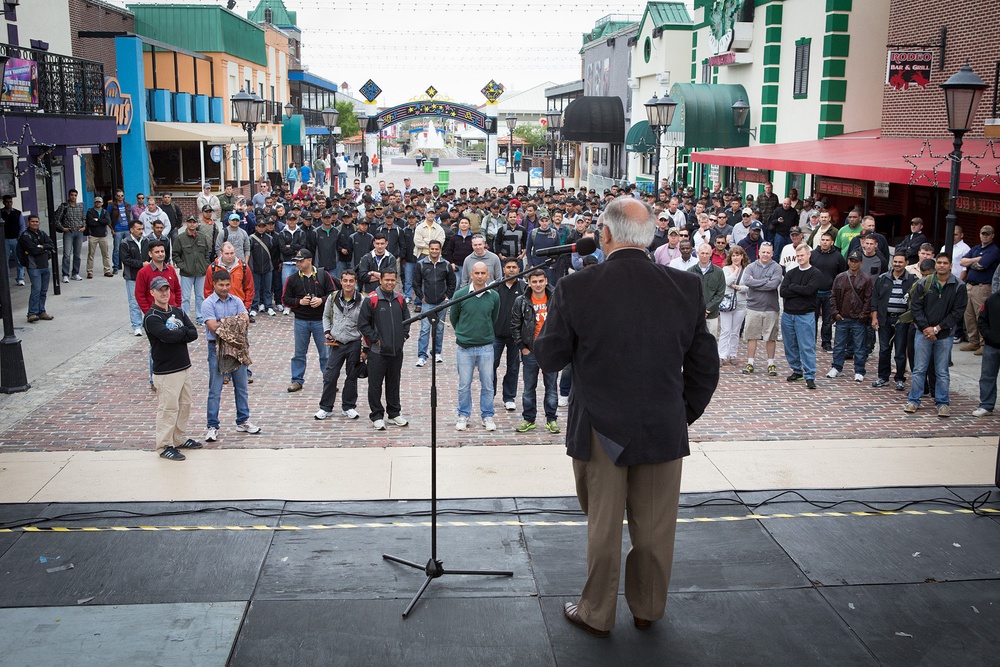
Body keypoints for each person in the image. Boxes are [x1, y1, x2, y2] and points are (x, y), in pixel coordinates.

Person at [532, 196, 718, 637]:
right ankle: (647, 609)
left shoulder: (576, 287)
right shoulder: (686, 287)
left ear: (607, 235)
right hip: (662, 425)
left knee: (602, 527)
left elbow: (550, 356)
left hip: (600, 428)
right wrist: (681, 414)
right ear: (651, 235)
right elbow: (705, 368)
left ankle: (596, 613)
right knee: (655, 530)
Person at [144, 276, 201, 461]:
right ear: (152, 292)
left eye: (166, 289)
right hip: (166, 371)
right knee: (168, 408)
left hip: (183, 367)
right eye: (160, 289)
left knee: (185, 405)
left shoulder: (177, 310)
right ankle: (164, 445)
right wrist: (181, 332)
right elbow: (167, 337)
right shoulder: (151, 317)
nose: (164, 292)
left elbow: (193, 333)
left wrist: (178, 333)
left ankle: (178, 438)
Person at [201, 268, 260, 443]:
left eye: (227, 284)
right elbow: (213, 327)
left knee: (241, 387)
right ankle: (212, 426)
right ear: (214, 284)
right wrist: (235, 321)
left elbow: (246, 321)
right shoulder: (208, 303)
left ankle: (243, 421)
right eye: (221, 285)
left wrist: (225, 322)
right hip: (216, 348)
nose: (225, 288)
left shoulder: (237, 300)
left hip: (237, 348)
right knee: (215, 390)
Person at [905, 254, 967, 417]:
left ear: (951, 266)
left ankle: (942, 403)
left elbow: (957, 312)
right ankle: (914, 400)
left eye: (945, 263)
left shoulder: (958, 286)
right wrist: (926, 328)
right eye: (939, 263)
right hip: (923, 333)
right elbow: (916, 308)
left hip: (944, 335)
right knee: (919, 369)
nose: (941, 266)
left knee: (942, 371)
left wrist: (938, 329)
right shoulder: (924, 282)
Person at [358, 269, 411, 430]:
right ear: (380, 280)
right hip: (377, 352)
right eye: (387, 280)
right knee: (375, 384)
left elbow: (407, 320)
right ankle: (377, 415)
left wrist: (403, 337)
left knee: (394, 383)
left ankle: (394, 413)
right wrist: (376, 339)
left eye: (392, 280)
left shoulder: (400, 299)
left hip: (396, 351)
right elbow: (363, 324)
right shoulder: (371, 300)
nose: (389, 283)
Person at [450, 261, 500, 431]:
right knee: (464, 384)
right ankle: (463, 414)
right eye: (476, 273)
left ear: (488, 275)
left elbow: (493, 317)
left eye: (482, 273)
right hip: (464, 347)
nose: (479, 276)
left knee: (487, 384)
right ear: (471, 275)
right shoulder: (461, 295)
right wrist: (463, 333)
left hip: (486, 346)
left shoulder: (494, 296)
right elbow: (454, 318)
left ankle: (487, 415)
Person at [282, 249, 338, 393]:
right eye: (297, 261)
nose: (298, 263)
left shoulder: (323, 275)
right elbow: (285, 299)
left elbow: (333, 294)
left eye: (301, 261)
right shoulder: (293, 278)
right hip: (301, 320)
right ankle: (296, 380)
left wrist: (321, 300)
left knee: (325, 354)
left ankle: (329, 379)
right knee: (299, 353)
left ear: (309, 260)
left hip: (320, 321)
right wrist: (299, 302)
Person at [511, 269, 559, 434]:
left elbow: (563, 324)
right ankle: (529, 419)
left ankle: (551, 419)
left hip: (550, 351)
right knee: (528, 388)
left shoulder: (555, 299)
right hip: (530, 351)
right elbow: (515, 326)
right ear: (529, 283)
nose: (538, 285)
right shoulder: (521, 301)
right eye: (534, 281)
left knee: (551, 388)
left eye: (540, 281)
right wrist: (523, 348)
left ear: (546, 281)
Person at [315, 269, 364, 421]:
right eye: (345, 281)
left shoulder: (362, 300)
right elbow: (325, 316)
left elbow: (366, 321)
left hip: (354, 342)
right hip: (336, 342)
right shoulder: (333, 297)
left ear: (355, 282)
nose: (348, 284)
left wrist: (364, 344)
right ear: (341, 282)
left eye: (351, 281)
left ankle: (348, 406)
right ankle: (325, 407)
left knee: (351, 376)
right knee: (330, 375)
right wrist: (327, 330)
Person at [871, 252, 916, 391]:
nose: (897, 264)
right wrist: (874, 317)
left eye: (900, 262)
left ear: (906, 263)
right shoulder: (882, 278)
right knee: (884, 349)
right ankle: (883, 377)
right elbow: (875, 300)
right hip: (885, 319)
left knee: (900, 351)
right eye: (895, 261)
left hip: (902, 320)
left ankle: (900, 378)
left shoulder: (912, 280)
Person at [780, 244, 822, 389]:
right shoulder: (791, 273)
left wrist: (793, 288)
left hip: (805, 315)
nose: (799, 258)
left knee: (807, 346)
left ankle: (810, 375)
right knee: (790, 345)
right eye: (797, 256)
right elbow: (783, 291)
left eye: (802, 255)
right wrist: (799, 290)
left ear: (809, 255)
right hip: (788, 314)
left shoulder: (815, 273)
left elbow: (809, 290)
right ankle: (796, 370)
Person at [827, 251, 873, 382]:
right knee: (839, 345)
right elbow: (833, 296)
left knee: (859, 346)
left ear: (861, 263)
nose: (853, 263)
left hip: (858, 319)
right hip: (842, 317)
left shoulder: (866, 279)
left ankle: (859, 370)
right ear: (848, 262)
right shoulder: (840, 277)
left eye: (856, 261)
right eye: (851, 260)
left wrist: (863, 315)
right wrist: (835, 313)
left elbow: (868, 299)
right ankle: (836, 367)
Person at [741, 242, 782, 376]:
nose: (765, 254)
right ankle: (750, 362)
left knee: (771, 337)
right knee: (751, 336)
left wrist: (756, 283)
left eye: (768, 252)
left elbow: (773, 284)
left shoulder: (776, 268)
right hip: (753, 307)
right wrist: (765, 280)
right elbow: (747, 281)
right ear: (759, 252)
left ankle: (771, 363)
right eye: (763, 252)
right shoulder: (751, 267)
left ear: (772, 253)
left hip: (771, 308)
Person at [959, 225, 1000, 355]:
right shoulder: (976, 248)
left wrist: (972, 262)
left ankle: (983, 342)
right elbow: (962, 262)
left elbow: (981, 266)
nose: (985, 236)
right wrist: (976, 259)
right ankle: (973, 341)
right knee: (968, 315)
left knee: (980, 315)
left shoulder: (993, 250)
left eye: (988, 234)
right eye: (983, 233)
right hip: (969, 286)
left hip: (982, 287)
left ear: (992, 235)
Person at [413, 239, 455, 366]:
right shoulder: (421, 264)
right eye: (432, 249)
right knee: (425, 329)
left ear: (440, 250)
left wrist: (448, 296)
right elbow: (416, 283)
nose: (434, 251)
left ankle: (437, 352)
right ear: (428, 249)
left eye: (437, 249)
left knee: (439, 328)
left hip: (442, 302)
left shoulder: (446, 265)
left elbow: (452, 282)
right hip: (427, 303)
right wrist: (421, 297)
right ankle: (422, 355)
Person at [493, 258, 524, 411]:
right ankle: (489, 395)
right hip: (496, 334)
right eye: (508, 267)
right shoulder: (495, 287)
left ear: (519, 269)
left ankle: (509, 396)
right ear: (503, 269)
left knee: (513, 367)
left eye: (514, 267)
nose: (511, 270)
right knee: (491, 365)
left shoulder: (524, 287)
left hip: (516, 336)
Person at [172, 216, 214, 327]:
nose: (192, 224)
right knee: (185, 297)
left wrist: (205, 265)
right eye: (190, 222)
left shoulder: (202, 237)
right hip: (186, 273)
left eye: (194, 222)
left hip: (201, 271)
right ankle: (186, 318)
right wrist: (182, 266)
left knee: (200, 296)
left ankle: (200, 317)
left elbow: (207, 253)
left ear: (197, 224)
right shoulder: (180, 238)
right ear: (187, 224)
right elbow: (175, 254)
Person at [811, 231, 847, 352]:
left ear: (832, 242)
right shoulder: (812, 255)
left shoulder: (838, 256)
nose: (824, 242)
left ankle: (826, 343)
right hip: (814, 293)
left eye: (827, 240)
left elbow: (842, 275)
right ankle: (811, 342)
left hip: (829, 293)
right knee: (812, 319)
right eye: (823, 240)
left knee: (827, 320)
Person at [17, 214, 55, 322]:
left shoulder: (42, 233)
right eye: (33, 222)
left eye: (37, 222)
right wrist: (42, 247)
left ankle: (41, 311)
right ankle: (32, 313)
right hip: (34, 267)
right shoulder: (25, 236)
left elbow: (51, 244)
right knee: (36, 290)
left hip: (45, 266)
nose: (35, 223)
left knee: (43, 290)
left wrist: (40, 246)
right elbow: (33, 250)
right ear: (28, 222)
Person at [687, 243, 725, 341]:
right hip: (695, 315)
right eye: (702, 253)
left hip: (711, 315)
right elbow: (688, 294)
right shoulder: (690, 271)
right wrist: (699, 309)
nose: (704, 256)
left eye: (707, 253)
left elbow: (720, 293)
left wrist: (707, 309)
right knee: (694, 341)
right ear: (697, 253)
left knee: (710, 341)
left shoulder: (719, 272)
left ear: (711, 254)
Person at [718, 245, 749, 365]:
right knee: (725, 329)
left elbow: (749, 287)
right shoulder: (726, 269)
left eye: (738, 255)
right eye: (733, 255)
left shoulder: (747, 270)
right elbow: (727, 282)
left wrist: (739, 288)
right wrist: (735, 270)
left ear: (742, 256)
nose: (735, 258)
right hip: (727, 302)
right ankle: (721, 354)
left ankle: (732, 353)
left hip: (741, 303)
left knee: (735, 331)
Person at [974, 287, 1000, 416]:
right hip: (991, 346)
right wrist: (988, 335)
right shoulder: (992, 299)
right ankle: (986, 405)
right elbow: (982, 320)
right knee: (987, 376)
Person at [54, 188, 86, 282]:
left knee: (77, 254)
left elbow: (83, 218)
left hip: (79, 231)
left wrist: (84, 226)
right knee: (67, 254)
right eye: (72, 195)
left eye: (75, 195)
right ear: (69, 196)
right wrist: (62, 228)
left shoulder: (80, 207)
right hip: (68, 232)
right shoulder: (64, 207)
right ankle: (65, 274)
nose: (73, 197)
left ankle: (75, 273)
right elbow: (56, 219)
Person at [84, 195, 113, 278]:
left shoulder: (105, 212)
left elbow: (107, 221)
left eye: (99, 202)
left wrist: (97, 220)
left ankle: (107, 270)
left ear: (102, 203)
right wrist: (100, 222)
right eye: (96, 202)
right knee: (91, 254)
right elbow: (90, 222)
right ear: (94, 203)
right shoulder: (90, 211)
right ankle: (89, 271)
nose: (98, 203)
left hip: (103, 235)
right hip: (93, 235)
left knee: (105, 254)